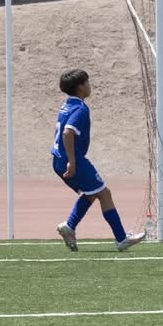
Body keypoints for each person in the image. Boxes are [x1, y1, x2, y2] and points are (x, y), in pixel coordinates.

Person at [50, 68, 145, 252]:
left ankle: (69, 226)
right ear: (80, 87)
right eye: (87, 82)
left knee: (92, 192)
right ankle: (121, 238)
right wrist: (73, 161)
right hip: (73, 158)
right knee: (105, 193)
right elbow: (68, 133)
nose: (89, 86)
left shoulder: (65, 106)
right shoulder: (80, 108)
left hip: (57, 158)